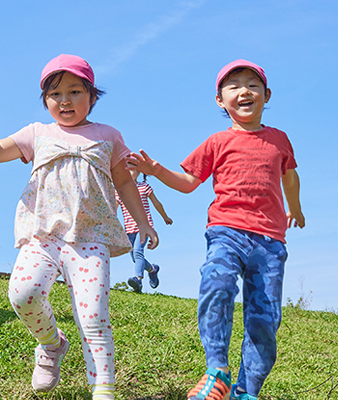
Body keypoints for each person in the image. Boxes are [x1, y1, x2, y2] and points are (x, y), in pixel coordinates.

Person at [0, 54, 158, 400]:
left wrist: (142, 222)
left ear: (93, 97)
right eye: (55, 94)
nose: (65, 100)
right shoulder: (38, 133)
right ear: (45, 100)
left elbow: (124, 183)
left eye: (76, 92)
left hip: (90, 239)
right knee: (23, 293)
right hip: (43, 235)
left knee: (93, 316)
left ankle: (103, 390)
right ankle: (51, 344)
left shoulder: (108, 135)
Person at [129, 60, 305, 400]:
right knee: (217, 285)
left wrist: (294, 207)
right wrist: (156, 169)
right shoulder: (217, 141)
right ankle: (217, 371)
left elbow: (290, 175)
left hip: (270, 242)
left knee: (265, 321)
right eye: (234, 85)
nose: (244, 91)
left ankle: (247, 390)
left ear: (266, 96)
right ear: (220, 101)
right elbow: (188, 182)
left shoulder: (279, 139)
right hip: (227, 231)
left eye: (253, 85)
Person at [116, 170, 172, 293]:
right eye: (127, 168)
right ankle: (152, 270)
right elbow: (114, 209)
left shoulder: (144, 187)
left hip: (145, 227)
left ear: (139, 171)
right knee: (134, 257)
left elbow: (156, 203)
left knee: (138, 252)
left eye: (133, 168)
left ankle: (138, 279)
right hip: (129, 228)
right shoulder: (120, 190)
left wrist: (165, 217)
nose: (130, 171)